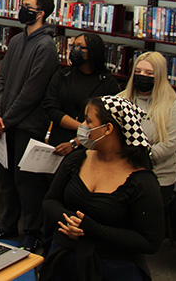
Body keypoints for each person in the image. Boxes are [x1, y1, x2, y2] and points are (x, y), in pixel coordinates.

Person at [41, 95, 164, 280]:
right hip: (64, 259)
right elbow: (50, 201)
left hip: (112, 268)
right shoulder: (77, 159)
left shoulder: (142, 182)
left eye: (88, 121)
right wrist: (70, 220)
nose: (82, 126)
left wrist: (93, 230)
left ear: (107, 129)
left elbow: (149, 242)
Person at [0, 0, 59, 252]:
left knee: (27, 182)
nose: (22, 10)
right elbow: (2, 79)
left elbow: (32, 91)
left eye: (27, 7)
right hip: (5, 123)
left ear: (40, 13)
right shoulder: (17, 40)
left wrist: (6, 119)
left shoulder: (46, 47)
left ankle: (32, 232)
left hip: (28, 125)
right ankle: (7, 223)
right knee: (5, 177)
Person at [118, 51, 176, 207]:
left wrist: (137, 157)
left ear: (159, 76)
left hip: (157, 178)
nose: (142, 76)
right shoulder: (121, 99)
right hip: (121, 173)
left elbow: (168, 145)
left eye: (149, 73)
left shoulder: (172, 108)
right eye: (138, 71)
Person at [45, 33, 121, 155]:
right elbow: (51, 108)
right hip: (59, 142)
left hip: (91, 148)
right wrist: (82, 128)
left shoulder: (107, 83)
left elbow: (108, 121)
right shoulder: (63, 75)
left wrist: (76, 141)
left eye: (80, 47)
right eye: (73, 46)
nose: (75, 50)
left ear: (93, 51)